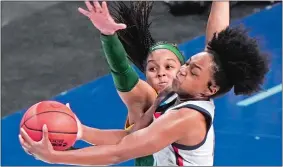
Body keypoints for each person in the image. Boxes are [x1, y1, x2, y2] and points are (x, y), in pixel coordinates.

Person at [19, 15, 269, 166]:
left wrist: (56, 158)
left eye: (193, 72)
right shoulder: (173, 93)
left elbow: (120, 153)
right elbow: (127, 139)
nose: (183, 70)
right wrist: (80, 131)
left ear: (209, 89)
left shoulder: (187, 118)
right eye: (189, 63)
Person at [67, 1, 229, 166]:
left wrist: (56, 156)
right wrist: (108, 35)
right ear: (144, 74)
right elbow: (121, 71)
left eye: (169, 66)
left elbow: (215, 47)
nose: (161, 73)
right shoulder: (147, 99)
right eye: (152, 68)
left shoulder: (189, 108)